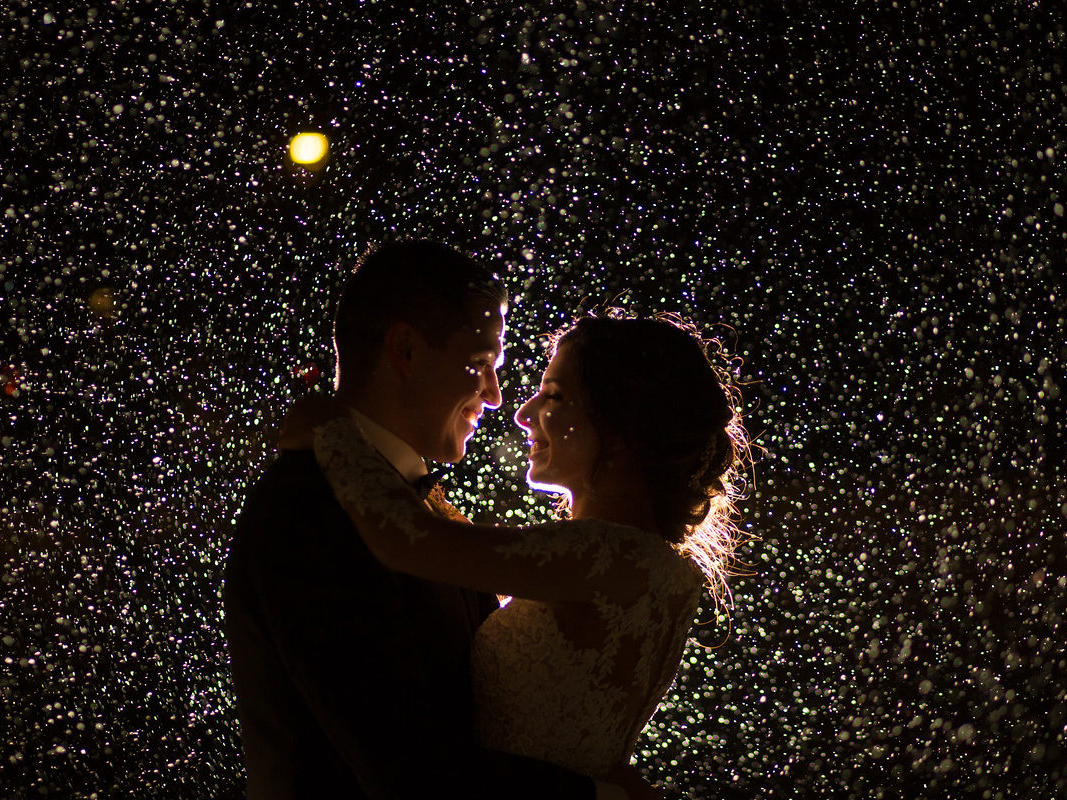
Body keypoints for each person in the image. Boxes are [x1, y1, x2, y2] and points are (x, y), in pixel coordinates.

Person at [223, 240, 652, 799]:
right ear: (405, 350)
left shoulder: (415, 516)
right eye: (479, 364)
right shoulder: (309, 509)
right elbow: (407, 770)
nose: (496, 397)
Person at [295, 308, 749, 785]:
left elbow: (409, 542)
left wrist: (335, 431)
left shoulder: (601, 554)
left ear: (620, 429)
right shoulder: (664, 570)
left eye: (552, 396)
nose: (523, 413)